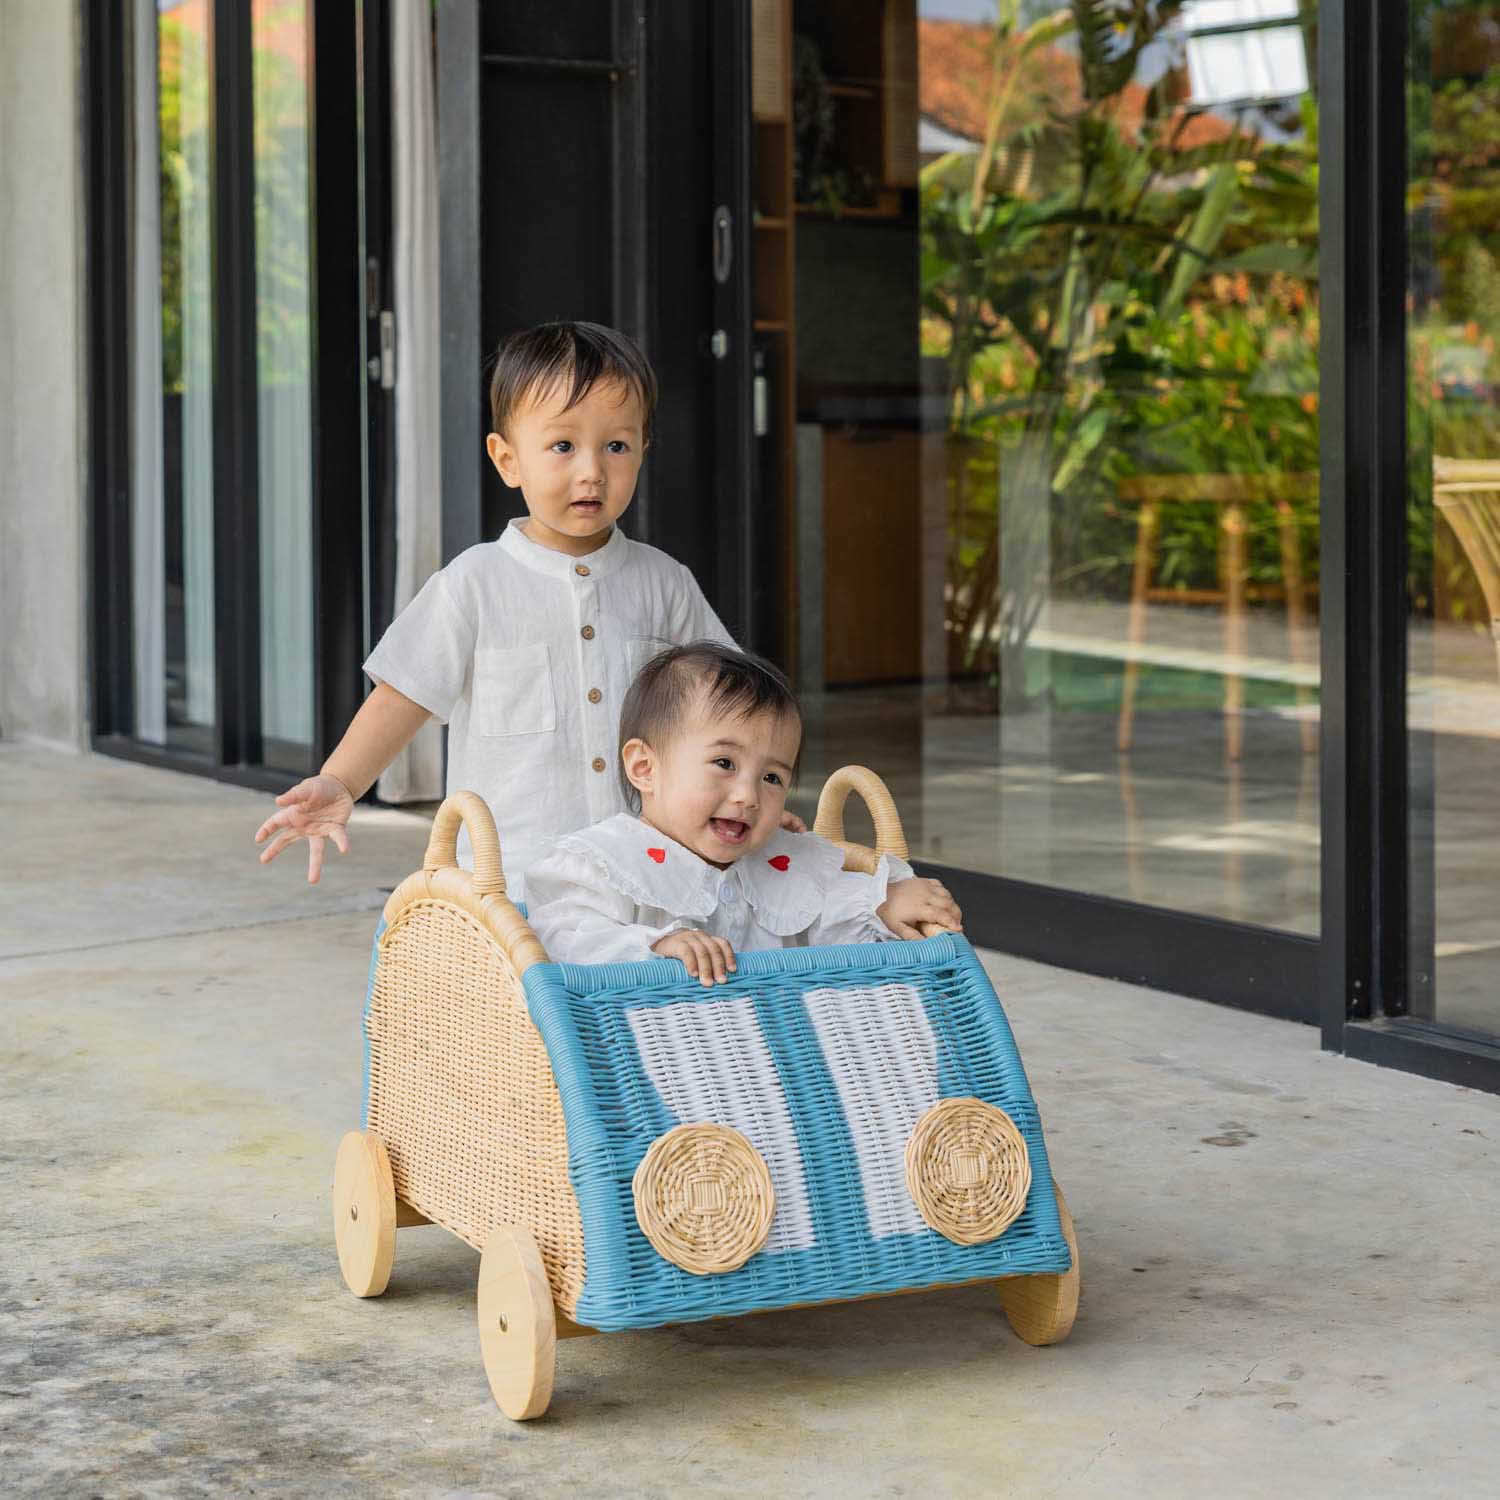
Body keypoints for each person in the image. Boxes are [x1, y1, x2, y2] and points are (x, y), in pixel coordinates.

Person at [254, 321, 772, 898]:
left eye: (617, 446)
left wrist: (755, 804)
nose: (591, 470)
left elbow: (731, 704)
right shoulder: (473, 583)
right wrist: (340, 782)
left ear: (643, 451)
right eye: (562, 446)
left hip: (648, 872)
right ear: (507, 459)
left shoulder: (663, 582)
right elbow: (403, 696)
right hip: (517, 879)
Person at [526, 642, 964, 982]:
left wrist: (881, 904)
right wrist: (655, 945)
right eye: (724, 764)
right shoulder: (605, 862)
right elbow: (563, 938)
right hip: (643, 1072)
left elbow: (829, 921)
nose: (749, 796)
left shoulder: (781, 861)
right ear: (645, 768)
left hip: (757, 1077)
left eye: (772, 778)